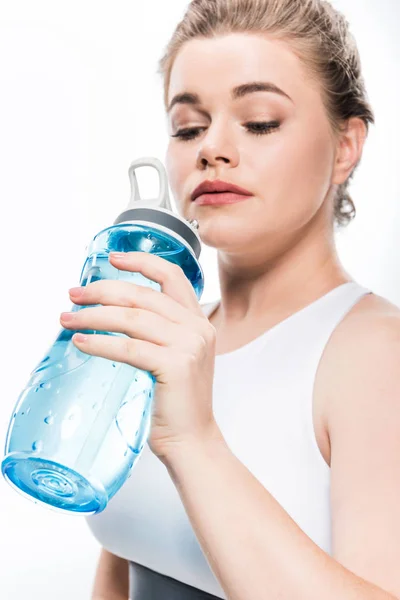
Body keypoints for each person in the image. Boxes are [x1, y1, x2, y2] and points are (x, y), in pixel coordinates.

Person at [69, 1, 400, 598]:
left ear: (346, 146)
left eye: (260, 121)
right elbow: (122, 560)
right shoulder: (170, 335)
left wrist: (194, 443)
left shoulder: (375, 352)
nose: (211, 149)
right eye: (189, 127)